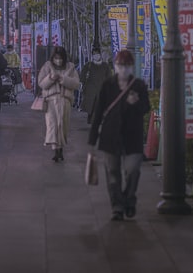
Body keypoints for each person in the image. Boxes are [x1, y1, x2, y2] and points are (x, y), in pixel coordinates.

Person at [87, 49, 151, 221]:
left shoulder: (139, 85)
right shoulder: (108, 85)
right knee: (112, 173)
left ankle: (129, 200)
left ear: (132, 67)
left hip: (133, 137)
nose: (123, 69)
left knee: (132, 171)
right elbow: (98, 113)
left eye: (127, 66)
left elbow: (146, 108)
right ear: (115, 66)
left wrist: (136, 102)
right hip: (110, 137)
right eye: (120, 65)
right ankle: (117, 206)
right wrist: (92, 141)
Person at [37, 46, 81, 162]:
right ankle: (56, 150)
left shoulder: (70, 68)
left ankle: (60, 149)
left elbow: (76, 84)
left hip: (65, 100)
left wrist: (63, 79)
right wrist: (51, 78)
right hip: (51, 100)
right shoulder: (47, 66)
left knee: (63, 125)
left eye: (60, 58)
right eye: (56, 58)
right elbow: (41, 83)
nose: (58, 60)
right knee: (52, 125)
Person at [80, 50, 112, 123]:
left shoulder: (105, 65)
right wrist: (84, 85)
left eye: (97, 54)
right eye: (94, 54)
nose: (96, 55)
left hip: (102, 88)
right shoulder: (88, 65)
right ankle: (92, 120)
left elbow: (109, 77)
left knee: (100, 104)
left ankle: (97, 120)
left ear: (100, 55)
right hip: (90, 89)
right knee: (91, 105)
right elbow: (82, 76)